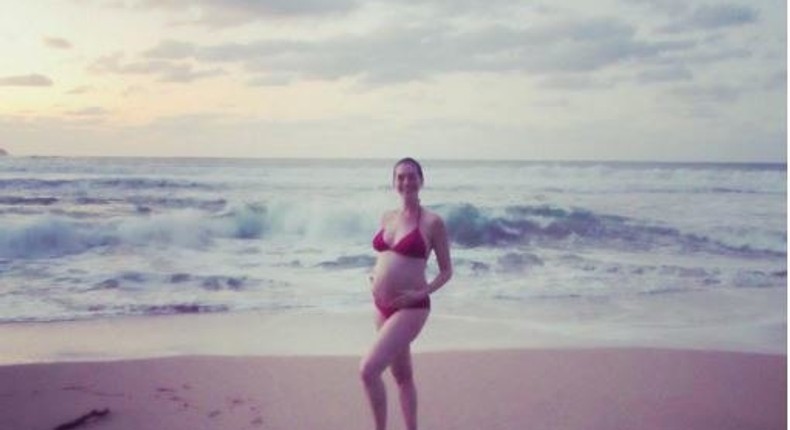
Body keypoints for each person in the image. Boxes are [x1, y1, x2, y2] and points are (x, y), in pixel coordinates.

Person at [360, 157, 453, 430]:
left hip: (412, 307)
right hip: (381, 305)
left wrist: (419, 294)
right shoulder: (387, 217)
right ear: (394, 182)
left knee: (368, 370)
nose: (406, 182)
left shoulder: (433, 222)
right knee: (402, 377)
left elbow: (446, 271)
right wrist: (375, 275)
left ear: (421, 181)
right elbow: (386, 255)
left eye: (411, 176)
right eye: (400, 177)